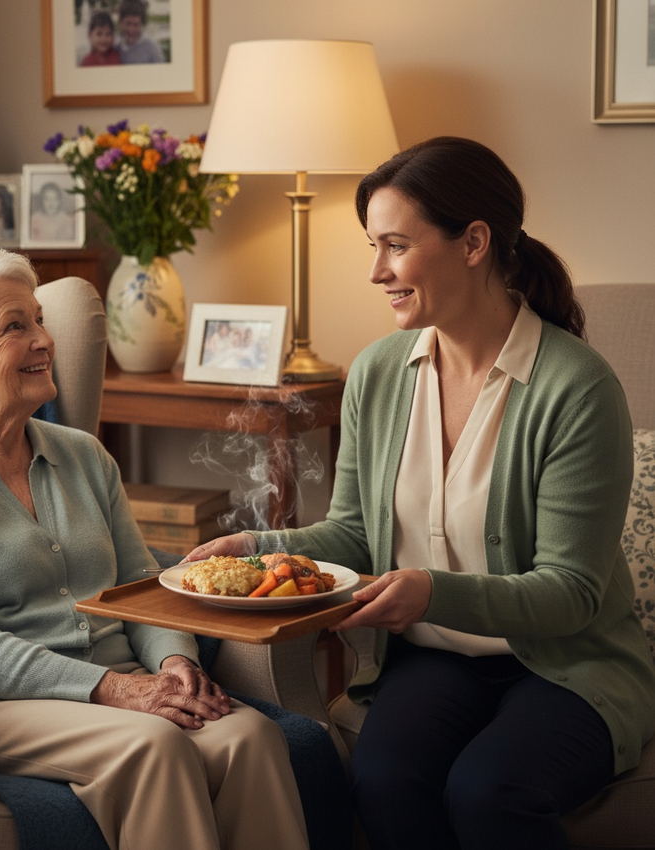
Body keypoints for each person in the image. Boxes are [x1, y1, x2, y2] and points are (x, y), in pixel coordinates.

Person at [187, 136, 655, 849]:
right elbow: (351, 533)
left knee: (489, 791)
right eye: (372, 246)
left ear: (473, 242)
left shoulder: (576, 389)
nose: (376, 271)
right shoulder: (377, 374)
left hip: (568, 666)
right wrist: (258, 548)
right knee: (385, 781)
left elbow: (571, 593)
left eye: (395, 246)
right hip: (434, 661)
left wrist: (432, 592)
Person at [0, 245, 309, 850]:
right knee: (154, 747)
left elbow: (142, 590)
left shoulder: (82, 455)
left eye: (39, 319)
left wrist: (175, 665)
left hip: (120, 677)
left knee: (248, 737)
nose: (44, 340)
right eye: (14, 326)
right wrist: (115, 690)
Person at [117, 0, 165, 64]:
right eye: (128, 24)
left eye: (136, 25)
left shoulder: (152, 49)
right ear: (120, 22)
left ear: (142, 24)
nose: (132, 30)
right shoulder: (115, 45)